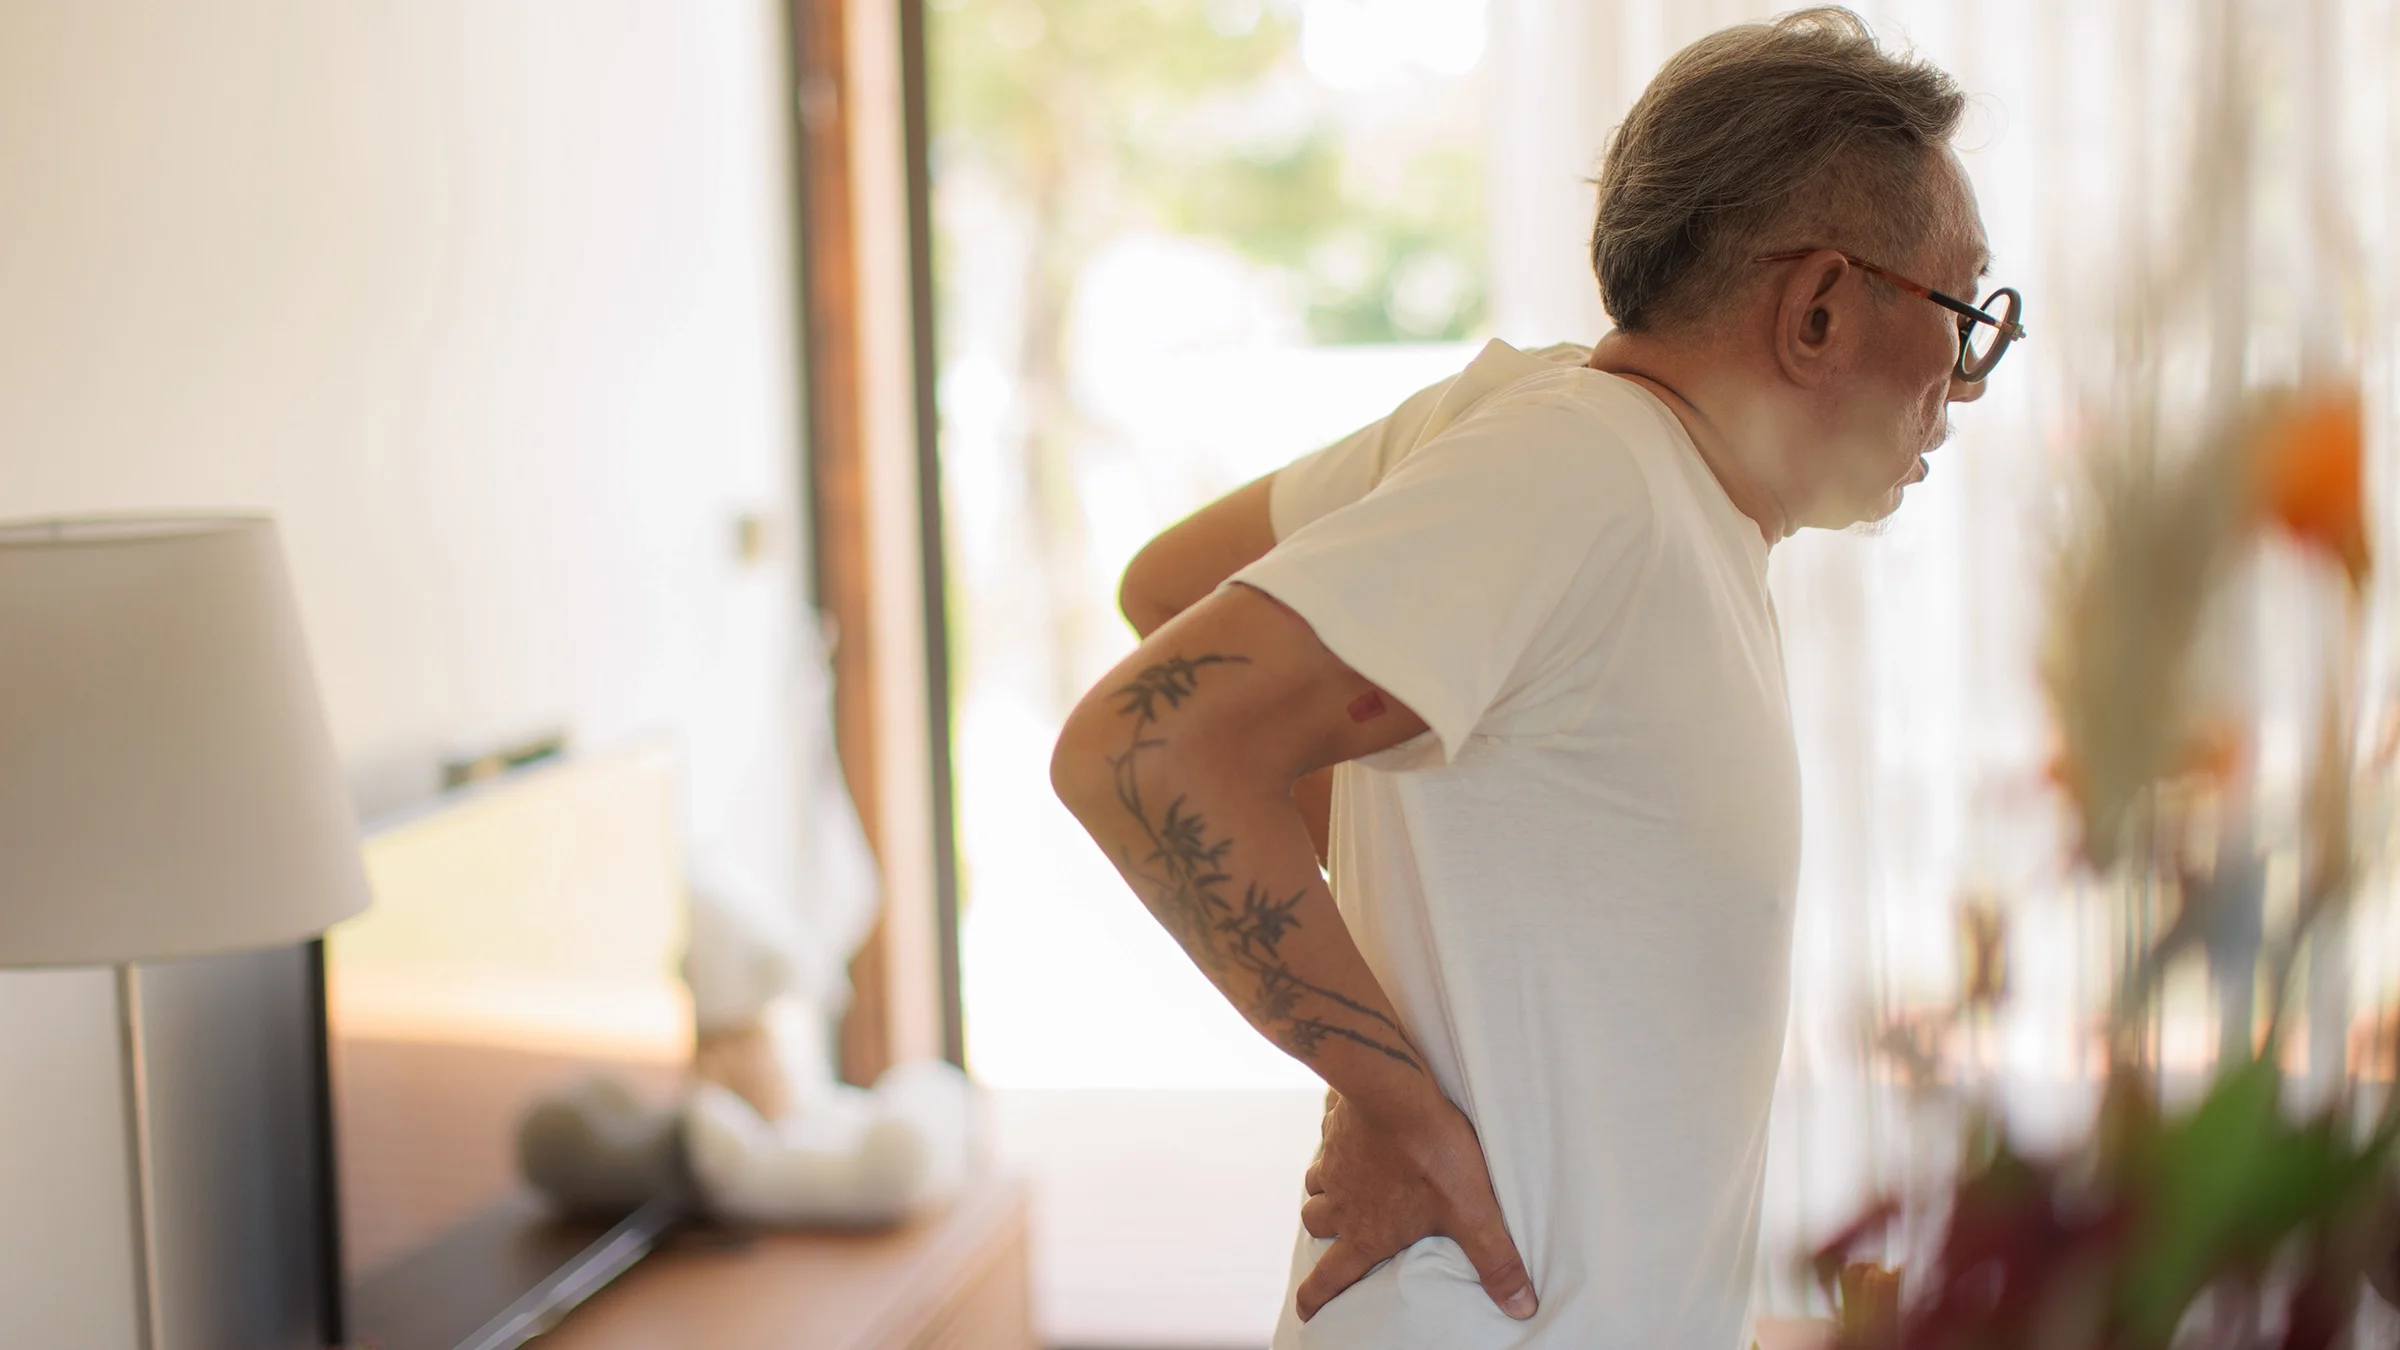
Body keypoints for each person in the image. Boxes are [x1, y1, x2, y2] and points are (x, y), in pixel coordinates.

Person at [1049, 9, 2021, 1347]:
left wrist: (1408, 981)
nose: (1967, 386)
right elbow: (1145, 746)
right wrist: (1394, 1095)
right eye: (1966, 314)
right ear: (1818, 309)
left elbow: (1169, 583)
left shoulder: (1560, 436)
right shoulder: (1580, 473)